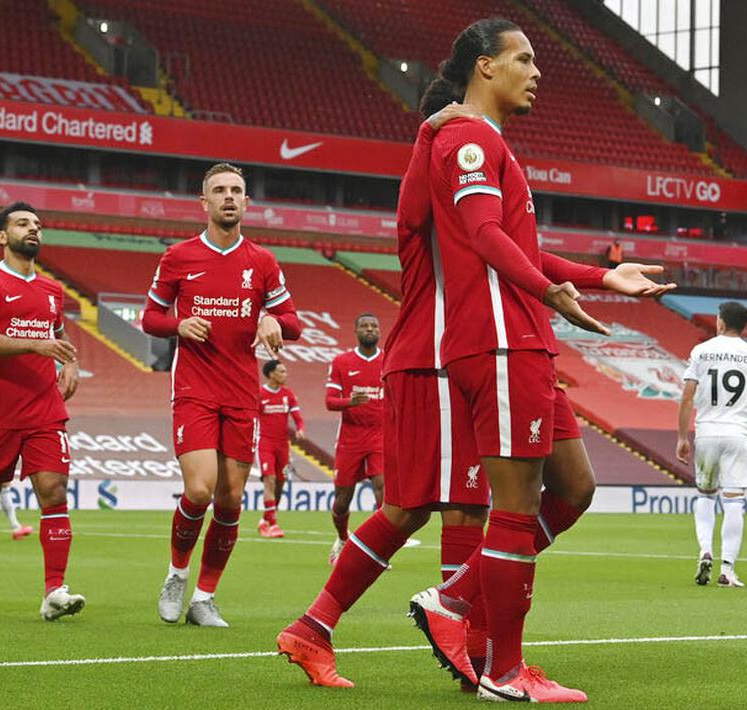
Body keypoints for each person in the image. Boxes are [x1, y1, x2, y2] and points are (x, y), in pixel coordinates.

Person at [275, 20, 672, 698]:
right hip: (454, 347)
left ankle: (444, 620)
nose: (537, 73)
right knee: (454, 506)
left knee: (524, 494)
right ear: (483, 68)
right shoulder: (460, 142)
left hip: (480, 342)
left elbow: (508, 239)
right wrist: (548, 290)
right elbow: (480, 234)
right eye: (525, 59)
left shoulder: (473, 143)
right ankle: (481, 652)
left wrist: (603, 276)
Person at [143, 162, 303, 627]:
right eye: (220, 190)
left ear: (247, 203)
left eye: (236, 190)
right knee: (199, 489)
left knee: (231, 501)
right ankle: (177, 575)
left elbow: (293, 323)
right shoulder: (178, 257)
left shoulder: (262, 262)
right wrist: (178, 324)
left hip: (241, 394)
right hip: (194, 388)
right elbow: (150, 317)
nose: (229, 197)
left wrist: (272, 319)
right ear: (204, 202)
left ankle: (204, 598)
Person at [0, 201, 83, 620]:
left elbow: (61, 338)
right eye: (22, 223)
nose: (33, 229)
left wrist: (70, 364)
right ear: (1, 236)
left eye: (37, 224)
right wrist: (36, 345)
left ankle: (54, 591)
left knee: (54, 491)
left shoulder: (51, 290)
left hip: (45, 409)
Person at [675, 301, 747, 588]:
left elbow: (687, 397)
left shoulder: (701, 351)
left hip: (706, 433)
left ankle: (705, 551)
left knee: (705, 496)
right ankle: (727, 569)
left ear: (721, 322)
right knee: (734, 500)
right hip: (737, 433)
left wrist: (682, 437)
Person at [324, 314, 385, 564]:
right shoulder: (341, 362)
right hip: (350, 438)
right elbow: (329, 402)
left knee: (383, 490)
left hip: (380, 436)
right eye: (365, 326)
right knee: (342, 500)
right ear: (356, 331)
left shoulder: (389, 360)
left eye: (374, 326)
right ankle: (341, 539)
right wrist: (350, 401)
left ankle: (378, 549)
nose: (370, 329)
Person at [257, 359, 305, 538]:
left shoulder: (288, 394)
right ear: (271, 374)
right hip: (265, 443)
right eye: (282, 371)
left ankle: (265, 520)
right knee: (269, 480)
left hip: (283, 445)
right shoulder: (260, 394)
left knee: (280, 484)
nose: (286, 374)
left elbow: (297, 417)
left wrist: (300, 429)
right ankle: (273, 525)